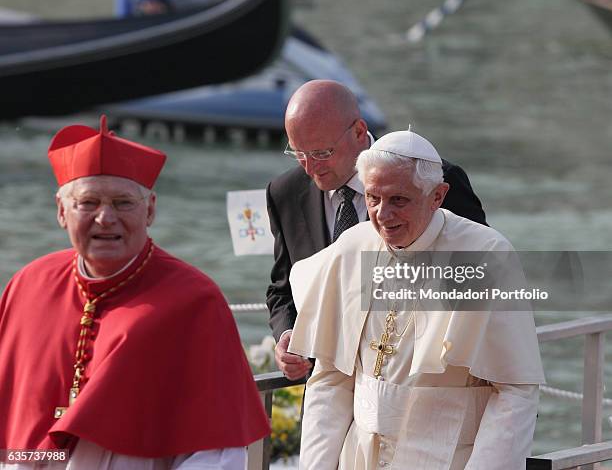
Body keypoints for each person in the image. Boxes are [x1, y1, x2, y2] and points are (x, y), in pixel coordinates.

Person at [0, 116, 268, 469]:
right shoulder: (28, 284)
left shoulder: (194, 300)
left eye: (123, 203)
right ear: (62, 212)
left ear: (151, 209)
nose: (105, 218)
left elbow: (216, 452)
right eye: (88, 203)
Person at [288, 129, 545, 469]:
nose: (382, 214)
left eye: (399, 200)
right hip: (361, 456)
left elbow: (515, 392)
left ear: (437, 195)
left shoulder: (484, 255)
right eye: (372, 198)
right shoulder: (352, 247)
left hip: (448, 457)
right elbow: (331, 378)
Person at [265, 79, 488, 380]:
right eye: (298, 153)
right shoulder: (285, 193)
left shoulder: (432, 178)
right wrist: (289, 333)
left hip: (419, 382)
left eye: (321, 153)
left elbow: (482, 276)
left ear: (359, 132)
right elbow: (282, 288)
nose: (309, 167)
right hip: (329, 385)